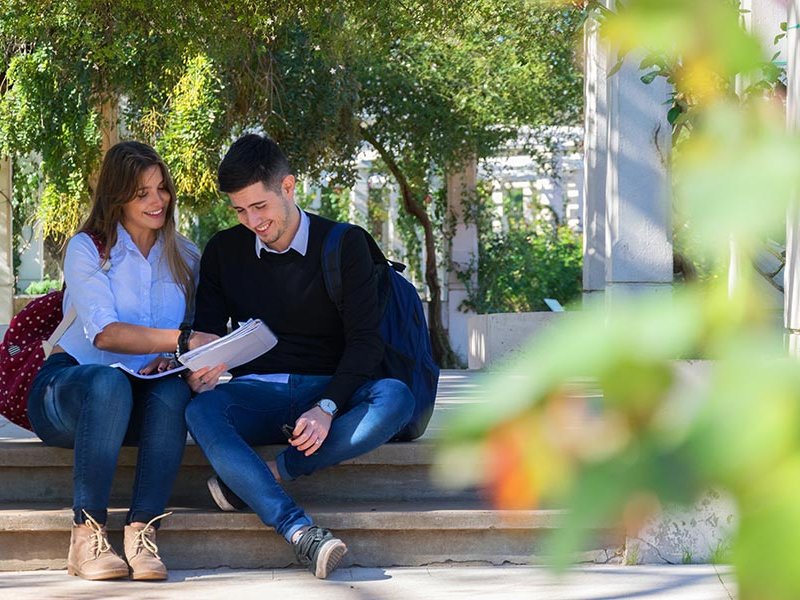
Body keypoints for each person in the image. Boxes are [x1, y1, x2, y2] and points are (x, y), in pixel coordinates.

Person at [184, 133, 415, 580]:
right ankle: (299, 531)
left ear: (288, 187)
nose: (251, 220)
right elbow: (209, 333)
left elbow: (366, 343)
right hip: (258, 394)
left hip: (329, 390)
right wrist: (201, 365)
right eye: (239, 209)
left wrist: (328, 406)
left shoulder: (345, 244)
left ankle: (270, 472)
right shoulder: (222, 251)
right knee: (201, 410)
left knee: (395, 397)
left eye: (260, 206)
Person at [27, 141, 214, 581]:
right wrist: (182, 340)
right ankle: (86, 533)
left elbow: (193, 337)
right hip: (70, 393)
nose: (157, 201)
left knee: (171, 389)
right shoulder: (88, 248)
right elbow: (106, 334)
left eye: (161, 188)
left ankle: (141, 529)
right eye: (141, 192)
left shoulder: (186, 257)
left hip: (143, 397)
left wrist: (175, 356)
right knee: (108, 383)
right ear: (116, 197)